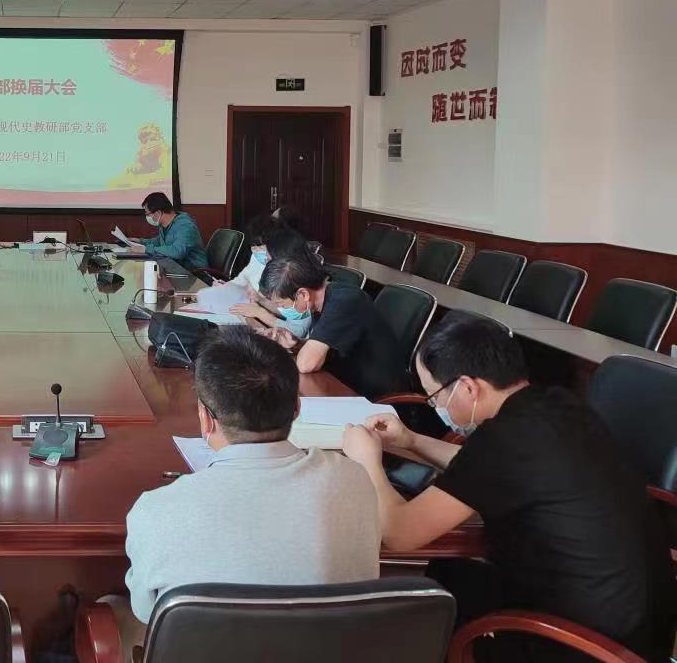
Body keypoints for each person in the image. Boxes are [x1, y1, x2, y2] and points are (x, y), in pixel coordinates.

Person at [342, 312, 677, 663]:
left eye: (434, 396)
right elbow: (482, 467)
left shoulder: (501, 440)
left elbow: (400, 533)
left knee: (428, 605)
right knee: (450, 574)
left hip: (579, 645)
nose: (436, 406)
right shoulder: (556, 405)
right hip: (640, 629)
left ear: (468, 387)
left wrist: (368, 461)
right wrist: (411, 440)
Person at [112, 326, 379, 653]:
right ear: (297, 408)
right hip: (328, 651)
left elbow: (145, 611)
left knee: (109, 605)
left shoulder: (155, 511)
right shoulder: (355, 480)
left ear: (206, 419)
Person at [252, 253, 402, 399]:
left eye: (282, 304)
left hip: (374, 397)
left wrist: (303, 352)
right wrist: (297, 344)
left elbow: (306, 364)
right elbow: (329, 344)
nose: (281, 309)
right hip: (344, 381)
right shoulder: (322, 300)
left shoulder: (343, 301)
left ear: (303, 295)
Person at [126, 192, 208, 271]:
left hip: (195, 273)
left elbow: (178, 251)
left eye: (148, 214)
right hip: (176, 267)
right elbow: (160, 241)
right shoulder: (164, 225)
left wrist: (146, 249)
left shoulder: (185, 225)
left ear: (158, 213)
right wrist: (141, 241)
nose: (147, 217)